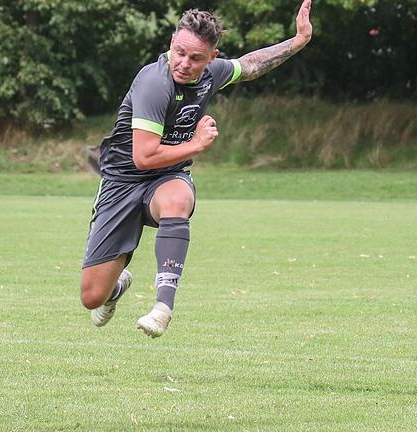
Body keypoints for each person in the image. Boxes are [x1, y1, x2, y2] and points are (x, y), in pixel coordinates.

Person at [80, 1, 313, 338]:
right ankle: (117, 286)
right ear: (171, 44)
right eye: (179, 53)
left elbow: (250, 64)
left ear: (212, 59)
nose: (185, 64)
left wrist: (298, 40)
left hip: (165, 179)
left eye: (196, 58)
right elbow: (144, 157)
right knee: (91, 297)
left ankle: (162, 309)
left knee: (177, 199)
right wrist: (197, 144)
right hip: (121, 183)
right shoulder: (153, 84)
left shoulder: (211, 75)